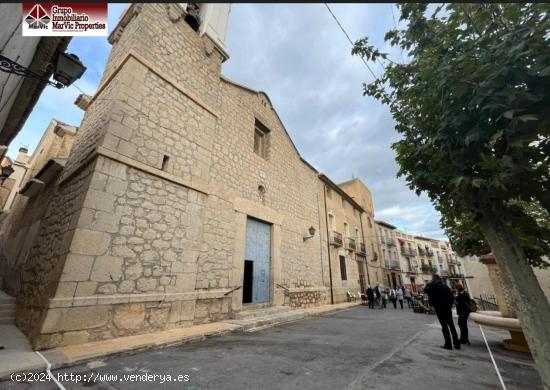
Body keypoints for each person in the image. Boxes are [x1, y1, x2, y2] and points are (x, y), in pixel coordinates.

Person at [424, 274, 460, 350]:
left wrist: (429, 283)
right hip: (447, 308)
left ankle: (448, 344)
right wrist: (449, 305)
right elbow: (451, 297)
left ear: (433, 279)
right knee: (451, 325)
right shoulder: (445, 286)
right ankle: (457, 344)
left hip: (439, 308)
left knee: (444, 326)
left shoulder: (432, 286)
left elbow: (425, 290)